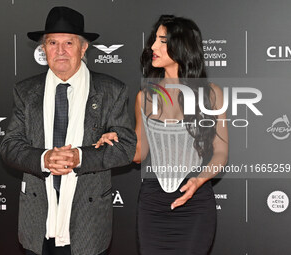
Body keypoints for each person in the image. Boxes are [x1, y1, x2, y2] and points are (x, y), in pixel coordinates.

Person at [0, 6, 136, 255]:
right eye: (52, 42)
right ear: (43, 48)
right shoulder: (26, 92)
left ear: (83, 48)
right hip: (37, 220)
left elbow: (126, 147)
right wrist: (44, 158)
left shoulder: (111, 91)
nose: (60, 51)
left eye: (68, 43)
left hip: (88, 221)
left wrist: (80, 157)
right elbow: (9, 146)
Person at [95, 15, 228, 255]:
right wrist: (115, 141)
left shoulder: (211, 95)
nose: (153, 47)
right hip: (153, 202)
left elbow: (221, 153)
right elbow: (139, 154)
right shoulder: (144, 97)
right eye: (154, 40)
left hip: (195, 200)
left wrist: (199, 180)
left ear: (182, 46)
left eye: (162, 41)